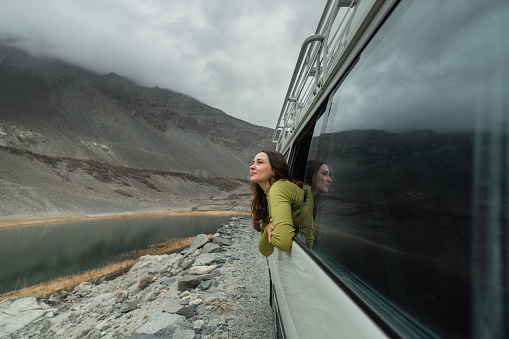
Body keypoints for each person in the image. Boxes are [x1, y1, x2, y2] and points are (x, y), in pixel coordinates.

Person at [250, 150, 304, 257]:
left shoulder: (279, 187)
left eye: (259, 162)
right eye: (253, 163)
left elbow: (283, 243)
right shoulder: (267, 196)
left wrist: (273, 229)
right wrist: (267, 230)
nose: (252, 167)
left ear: (274, 170)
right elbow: (265, 251)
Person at [299, 160, 333, 248]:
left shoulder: (312, 197)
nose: (330, 180)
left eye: (329, 175)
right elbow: (307, 240)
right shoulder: (305, 198)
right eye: (325, 174)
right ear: (311, 176)